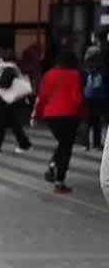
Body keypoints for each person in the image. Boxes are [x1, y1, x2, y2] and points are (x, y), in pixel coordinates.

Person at [33, 49, 83, 194]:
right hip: (69, 114)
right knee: (66, 146)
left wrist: (36, 115)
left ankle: (53, 165)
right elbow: (77, 98)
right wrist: (82, 115)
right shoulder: (74, 75)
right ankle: (59, 180)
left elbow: (42, 97)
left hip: (51, 115)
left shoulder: (49, 74)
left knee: (62, 142)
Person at [0, 48, 33, 157]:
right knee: (12, 123)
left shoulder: (8, 69)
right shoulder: (12, 68)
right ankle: (24, 144)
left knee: (3, 123)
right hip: (9, 100)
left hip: (6, 99)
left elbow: (4, 84)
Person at [81, 45, 108, 151]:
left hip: (86, 96)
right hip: (100, 97)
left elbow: (81, 81)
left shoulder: (84, 67)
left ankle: (85, 144)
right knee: (97, 121)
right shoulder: (102, 67)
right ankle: (96, 143)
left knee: (85, 120)